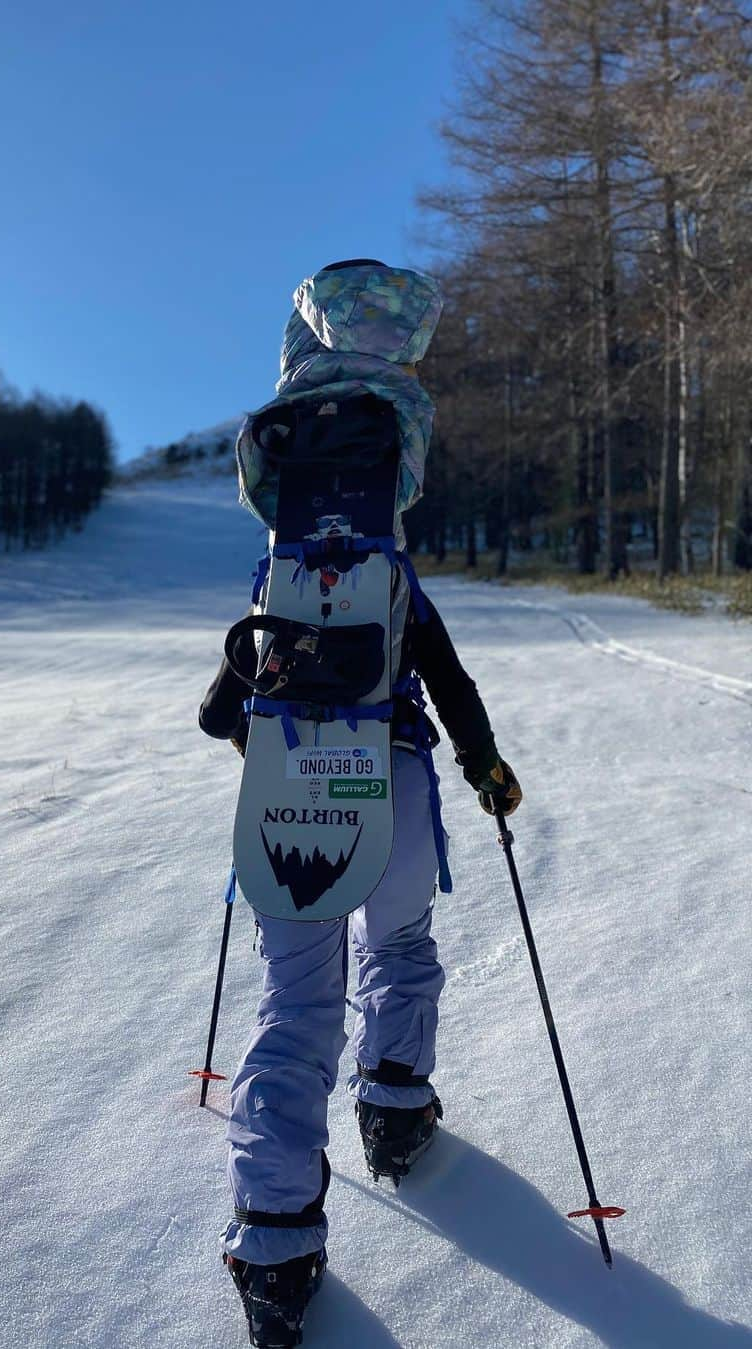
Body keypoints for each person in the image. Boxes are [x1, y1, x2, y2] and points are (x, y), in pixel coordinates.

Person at [198, 260, 522, 1348]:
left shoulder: (274, 577)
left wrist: (255, 711)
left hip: (291, 788)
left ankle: (276, 1237)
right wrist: (483, 764)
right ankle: (393, 1105)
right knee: (401, 947)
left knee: (294, 1006)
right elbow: (451, 675)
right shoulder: (395, 577)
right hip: (398, 776)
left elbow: (221, 710)